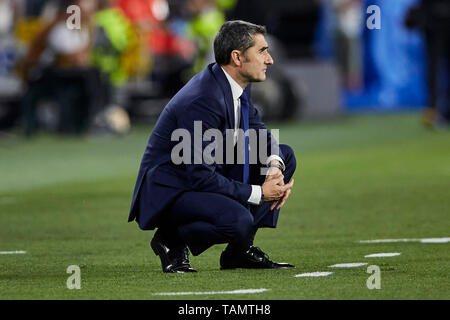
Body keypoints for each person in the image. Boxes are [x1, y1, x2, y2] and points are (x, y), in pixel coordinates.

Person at [128, 20, 296, 273]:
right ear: (237, 57)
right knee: (238, 221)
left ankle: (239, 252)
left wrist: (274, 166)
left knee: (285, 155)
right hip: (174, 187)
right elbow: (196, 174)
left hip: (203, 172)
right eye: (262, 51)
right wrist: (260, 193)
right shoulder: (202, 99)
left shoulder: (236, 82)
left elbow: (257, 128)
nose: (270, 60)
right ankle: (170, 238)